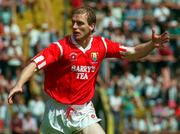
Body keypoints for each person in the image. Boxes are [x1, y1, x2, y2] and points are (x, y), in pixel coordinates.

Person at [8, 6, 169, 134]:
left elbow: (133, 52)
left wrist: (151, 45)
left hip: (83, 111)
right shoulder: (60, 47)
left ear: (92, 26)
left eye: (80, 23)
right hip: (56, 113)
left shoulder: (102, 45)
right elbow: (35, 64)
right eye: (73, 23)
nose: (75, 27)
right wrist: (18, 84)